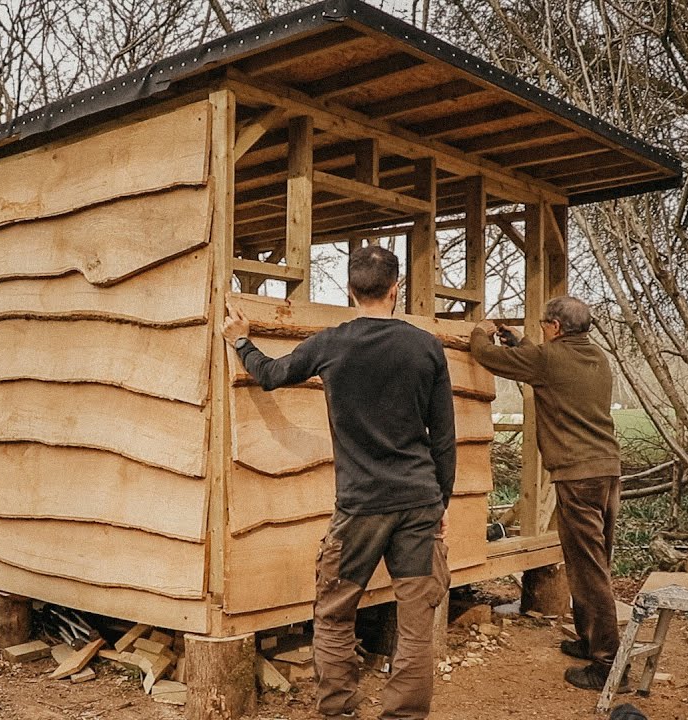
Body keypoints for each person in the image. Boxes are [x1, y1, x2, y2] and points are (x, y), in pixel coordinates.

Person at [222, 245, 455, 720]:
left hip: (360, 508)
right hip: (418, 501)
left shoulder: (332, 344)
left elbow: (270, 374)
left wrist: (241, 341)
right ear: (397, 289)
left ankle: (339, 710)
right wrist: (441, 504)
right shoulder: (426, 346)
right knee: (415, 623)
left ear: (348, 290)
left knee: (333, 613)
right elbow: (444, 437)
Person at [468, 296, 625, 692]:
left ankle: (608, 666)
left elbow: (487, 358)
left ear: (555, 327)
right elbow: (541, 361)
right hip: (607, 471)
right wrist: (520, 341)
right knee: (591, 559)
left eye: (543, 325)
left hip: (578, 477)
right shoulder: (597, 357)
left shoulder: (548, 360)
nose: (541, 331)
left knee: (590, 570)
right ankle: (590, 641)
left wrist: (480, 332)